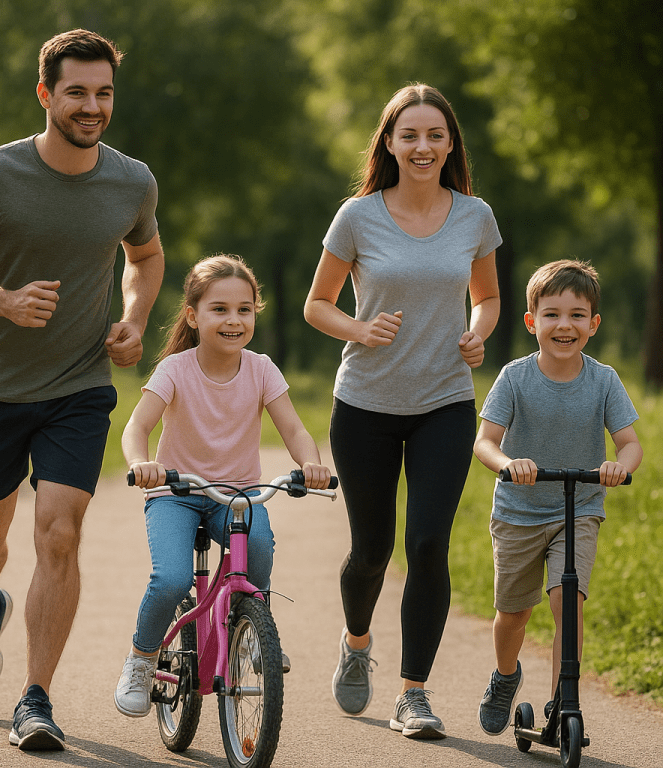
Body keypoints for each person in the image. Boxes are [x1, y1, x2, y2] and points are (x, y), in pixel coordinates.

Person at [0, 29, 165, 751]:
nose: (93, 106)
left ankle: (36, 698)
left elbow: (144, 257)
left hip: (79, 385)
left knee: (59, 532)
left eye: (104, 92)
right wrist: (2, 300)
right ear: (46, 94)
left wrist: (134, 318)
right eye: (78, 92)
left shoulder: (131, 180)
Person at [304, 83, 501, 739]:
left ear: (450, 146)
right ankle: (357, 641)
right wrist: (358, 331)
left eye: (435, 135)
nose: (422, 146)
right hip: (364, 405)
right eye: (409, 134)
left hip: (444, 400)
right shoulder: (358, 216)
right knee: (370, 551)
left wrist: (478, 331)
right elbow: (317, 305)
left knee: (426, 545)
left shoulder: (474, 215)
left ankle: (413, 693)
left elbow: (490, 297)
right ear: (389, 142)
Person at [116, 254, 331, 717]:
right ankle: (141, 658)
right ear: (193, 316)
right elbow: (136, 428)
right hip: (175, 493)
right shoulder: (175, 369)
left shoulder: (261, 369)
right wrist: (143, 463)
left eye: (244, 309)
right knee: (171, 578)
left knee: (259, 544)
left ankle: (253, 629)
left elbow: (294, 430)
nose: (233, 320)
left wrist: (311, 464)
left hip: (233, 496)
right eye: (219, 309)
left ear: (255, 312)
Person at [473, 259, 642, 736]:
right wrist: (508, 463)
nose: (564, 325)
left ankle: (562, 701)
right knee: (513, 614)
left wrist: (617, 466)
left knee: (568, 598)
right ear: (532, 323)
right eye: (551, 315)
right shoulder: (514, 377)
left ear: (593, 324)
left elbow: (630, 444)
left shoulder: (604, 380)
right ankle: (505, 676)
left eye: (576, 315)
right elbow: (485, 440)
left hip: (579, 507)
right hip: (519, 512)